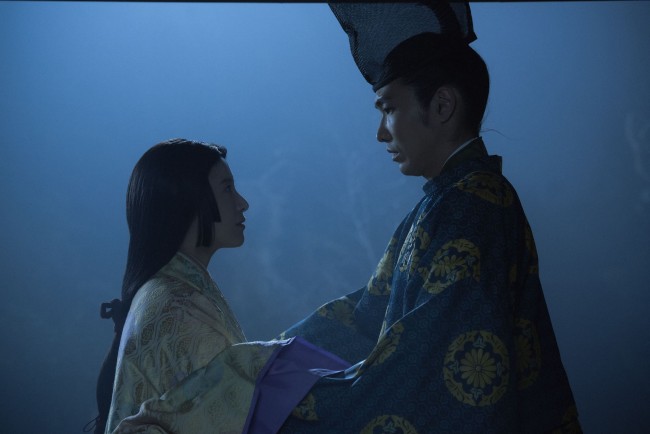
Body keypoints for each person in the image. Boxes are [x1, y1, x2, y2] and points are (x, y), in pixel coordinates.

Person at [275, 3, 582, 433]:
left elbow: (428, 372)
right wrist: (264, 360)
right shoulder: (453, 201)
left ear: (441, 105)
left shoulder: (472, 208)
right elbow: (366, 318)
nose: (381, 132)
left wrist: (278, 395)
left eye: (388, 108)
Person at [89, 139, 349, 434]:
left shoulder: (173, 292)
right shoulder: (177, 308)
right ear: (187, 200)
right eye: (227, 189)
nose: (242, 203)